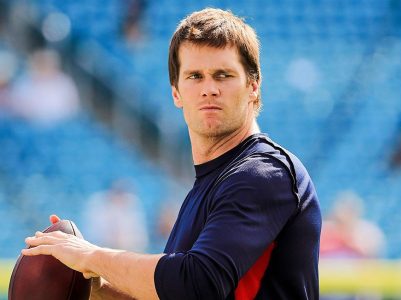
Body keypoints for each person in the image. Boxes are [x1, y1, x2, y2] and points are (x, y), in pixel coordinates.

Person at [22, 8, 322, 300]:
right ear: (176, 92)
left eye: (223, 75)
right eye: (195, 76)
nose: (209, 89)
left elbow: (198, 284)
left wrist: (91, 257)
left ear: (253, 86)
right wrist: (94, 287)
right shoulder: (207, 185)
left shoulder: (262, 173)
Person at [81, 179, 149, 252]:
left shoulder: (132, 204)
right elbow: (93, 236)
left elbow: (140, 239)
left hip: (126, 250)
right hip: (101, 248)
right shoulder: (98, 205)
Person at [320, 191, 385, 259]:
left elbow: (374, 256)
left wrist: (347, 241)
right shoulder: (325, 229)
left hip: (358, 268)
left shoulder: (368, 231)